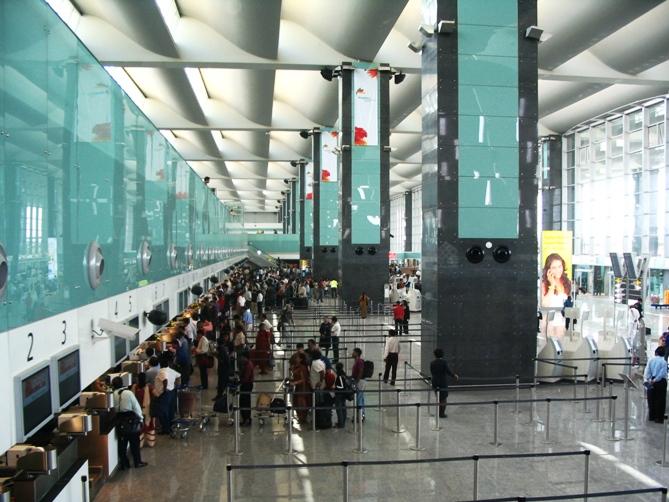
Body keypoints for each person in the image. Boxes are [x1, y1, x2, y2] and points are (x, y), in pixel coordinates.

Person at [112, 376, 147, 469]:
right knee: (134, 443)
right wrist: (141, 418)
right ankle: (137, 462)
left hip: (120, 421)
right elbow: (136, 407)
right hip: (131, 420)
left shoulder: (113, 394)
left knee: (122, 445)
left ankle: (124, 464)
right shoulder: (128, 393)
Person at [153, 354, 181, 434]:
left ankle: (165, 429)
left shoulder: (162, 371)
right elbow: (179, 376)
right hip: (172, 392)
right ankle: (170, 427)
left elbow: (165, 380)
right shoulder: (171, 370)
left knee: (163, 411)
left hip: (165, 393)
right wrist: (176, 385)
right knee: (170, 411)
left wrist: (164, 390)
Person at [430, 348, 458, 418]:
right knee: (444, 398)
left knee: (438, 398)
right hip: (442, 382)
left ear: (435, 355)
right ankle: (442, 413)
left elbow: (432, 372)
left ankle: (438, 412)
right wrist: (454, 376)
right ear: (442, 354)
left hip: (435, 382)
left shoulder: (432, 363)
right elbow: (448, 371)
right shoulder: (444, 362)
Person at [131, 373, 154, 448]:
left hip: (137, 411)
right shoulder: (149, 388)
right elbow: (155, 396)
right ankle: (151, 442)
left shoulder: (134, 387)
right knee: (149, 425)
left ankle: (140, 443)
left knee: (138, 427)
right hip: (147, 411)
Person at [644, 347, 668, 423]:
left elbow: (647, 372)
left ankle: (651, 416)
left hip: (651, 381)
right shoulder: (664, 362)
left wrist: (649, 380)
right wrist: (655, 380)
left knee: (651, 399)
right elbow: (662, 373)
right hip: (661, 382)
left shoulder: (651, 360)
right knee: (660, 399)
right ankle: (658, 418)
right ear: (663, 354)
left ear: (656, 352)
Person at [290, 352, 311, 424]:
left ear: (301, 359)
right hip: (298, 388)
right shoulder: (295, 367)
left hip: (303, 388)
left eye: (297, 358)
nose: (296, 359)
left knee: (302, 404)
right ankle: (300, 418)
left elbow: (303, 379)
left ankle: (303, 418)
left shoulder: (302, 368)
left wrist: (294, 383)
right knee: (296, 403)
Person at [239, 353, 255, 426]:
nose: (241, 359)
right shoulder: (247, 364)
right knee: (245, 402)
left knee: (244, 402)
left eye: (242, 357)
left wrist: (239, 380)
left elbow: (246, 378)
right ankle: (246, 418)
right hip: (247, 385)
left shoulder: (248, 365)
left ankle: (246, 419)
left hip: (246, 385)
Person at [351, 347, 366, 421]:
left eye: (353, 352)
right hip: (358, 380)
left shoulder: (359, 361)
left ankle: (360, 416)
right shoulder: (357, 361)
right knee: (361, 397)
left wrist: (356, 381)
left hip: (360, 381)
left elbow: (360, 371)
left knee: (359, 398)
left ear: (357, 353)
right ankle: (362, 414)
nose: (352, 353)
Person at [334, 363, 348, 428]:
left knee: (339, 409)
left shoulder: (339, 376)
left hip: (339, 393)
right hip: (344, 394)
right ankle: (343, 422)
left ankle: (341, 423)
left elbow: (341, 386)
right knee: (343, 408)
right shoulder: (344, 374)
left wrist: (335, 387)